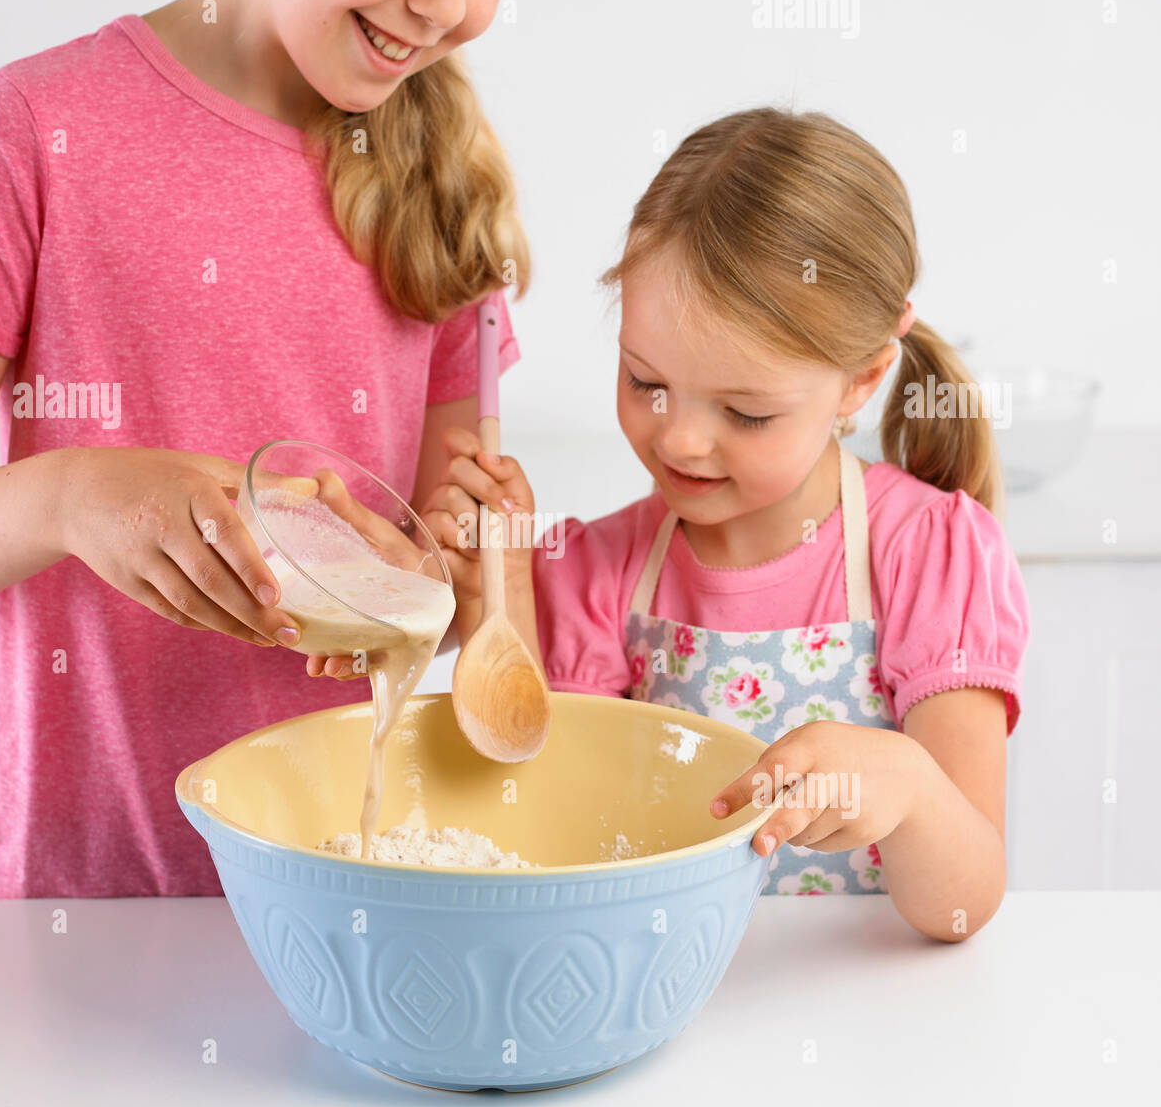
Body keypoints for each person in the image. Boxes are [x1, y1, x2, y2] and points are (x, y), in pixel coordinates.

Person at [0, 0, 598, 898]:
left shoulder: (448, 188)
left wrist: (475, 577)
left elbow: (439, 586)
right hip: (74, 894)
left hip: (342, 880)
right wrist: (68, 496)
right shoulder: (38, 130)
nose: (442, 4)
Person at [424, 107, 1031, 942]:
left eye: (746, 413)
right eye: (646, 382)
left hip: (869, 1023)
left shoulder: (926, 551)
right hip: (662, 1009)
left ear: (862, 381)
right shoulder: (597, 568)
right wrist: (508, 591)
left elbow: (962, 904)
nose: (679, 439)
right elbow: (554, 837)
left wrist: (911, 785)